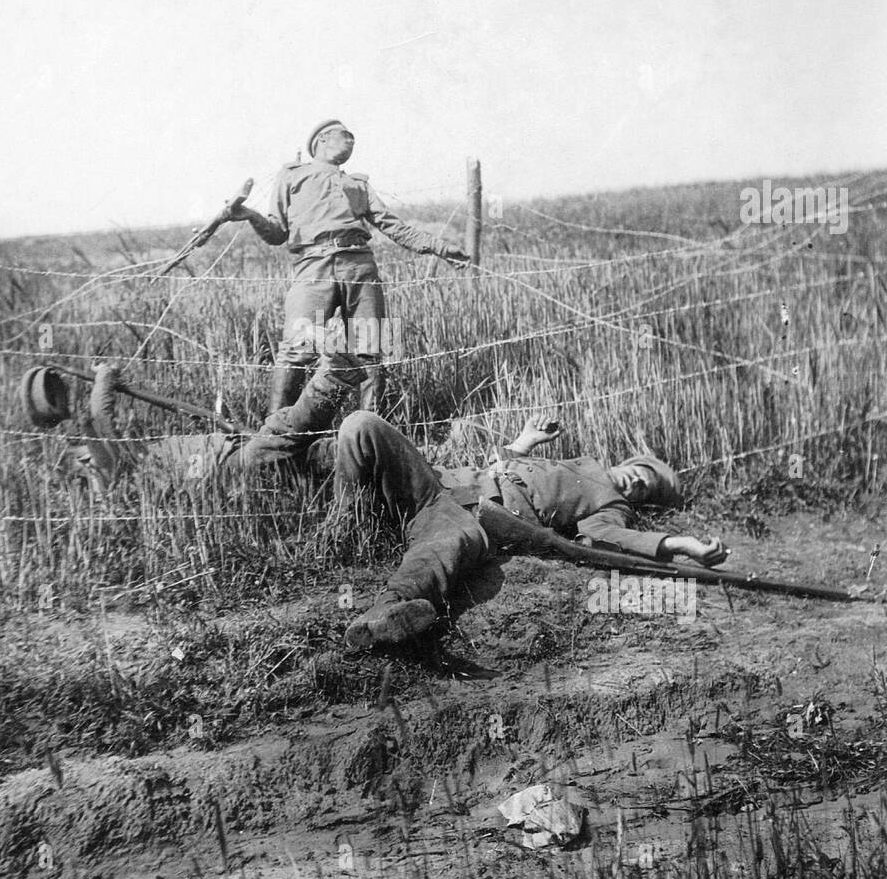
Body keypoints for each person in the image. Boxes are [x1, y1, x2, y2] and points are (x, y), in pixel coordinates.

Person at [36, 362, 728, 654]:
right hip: (436, 481)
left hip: (472, 518)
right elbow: (496, 462)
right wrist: (517, 445)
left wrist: (679, 547)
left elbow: (616, 546)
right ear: (626, 456)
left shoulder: (603, 508)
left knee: (445, 549)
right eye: (638, 471)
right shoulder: (570, 460)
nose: (634, 483)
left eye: (645, 488)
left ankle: (397, 611)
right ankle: (342, 523)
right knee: (361, 424)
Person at [228, 120, 472, 413]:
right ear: (322, 140)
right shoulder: (292, 176)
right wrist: (251, 215)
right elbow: (276, 233)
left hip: (360, 268)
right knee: (297, 348)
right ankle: (276, 438)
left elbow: (393, 227)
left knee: (369, 351)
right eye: (347, 137)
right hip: (312, 268)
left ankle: (368, 433)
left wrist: (442, 247)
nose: (352, 143)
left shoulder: (358, 184)